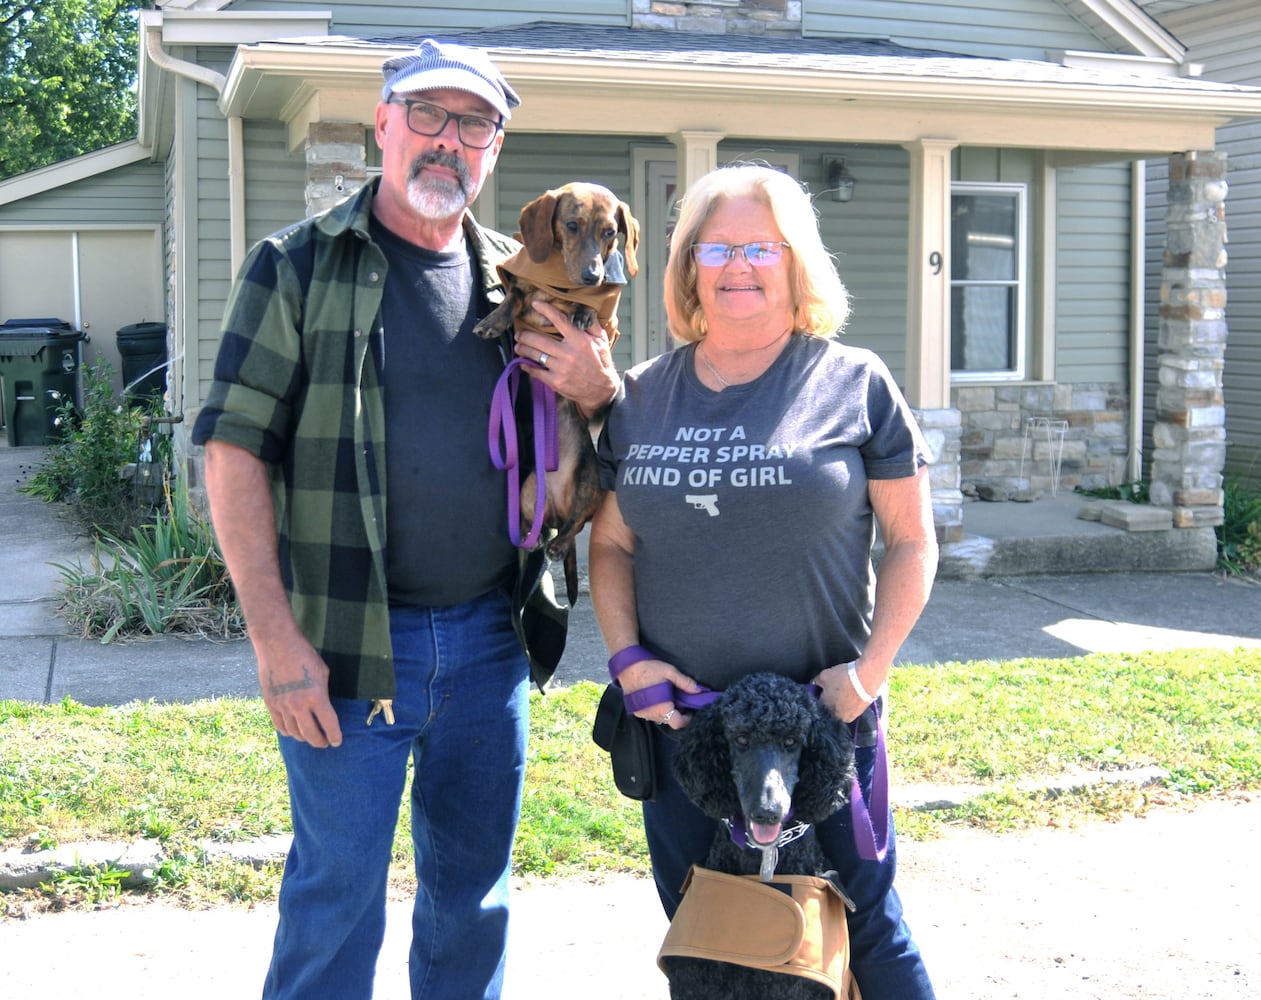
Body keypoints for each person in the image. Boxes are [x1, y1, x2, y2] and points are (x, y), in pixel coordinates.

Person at [191, 39, 618, 1000]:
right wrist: (273, 640)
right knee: (335, 899)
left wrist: (601, 391)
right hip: (344, 648)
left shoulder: (523, 286)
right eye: (426, 115)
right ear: (383, 124)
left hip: (488, 642)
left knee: (471, 901)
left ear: (494, 152)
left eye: (474, 125)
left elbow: (587, 435)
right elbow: (231, 449)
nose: (447, 143)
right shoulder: (297, 267)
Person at [586, 163, 940, 997]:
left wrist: (869, 672)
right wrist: (629, 663)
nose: (736, 265)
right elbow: (610, 548)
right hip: (685, 730)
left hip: (823, 725)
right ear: (687, 270)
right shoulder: (639, 398)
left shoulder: (855, 384)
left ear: (795, 262)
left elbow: (911, 541)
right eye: (715, 247)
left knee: (866, 921)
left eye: (759, 246)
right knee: (704, 928)